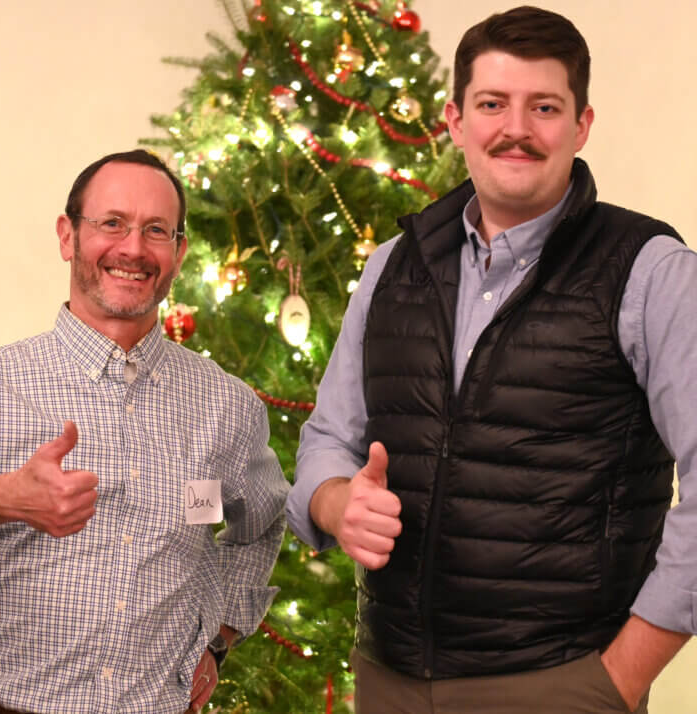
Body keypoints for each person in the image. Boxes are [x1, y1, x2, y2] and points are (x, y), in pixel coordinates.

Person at [286, 6, 697, 713]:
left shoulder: (652, 272)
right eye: (492, 104)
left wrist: (619, 676)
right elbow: (328, 439)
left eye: (544, 106)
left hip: (562, 684)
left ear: (582, 124)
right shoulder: (393, 265)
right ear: (454, 120)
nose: (516, 128)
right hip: (388, 678)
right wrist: (335, 501)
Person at [0, 149, 289, 714]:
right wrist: (0, 498)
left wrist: (219, 637)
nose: (133, 248)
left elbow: (262, 522)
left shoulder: (226, 404)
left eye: (156, 230)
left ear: (178, 253)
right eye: (112, 223)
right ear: (68, 236)